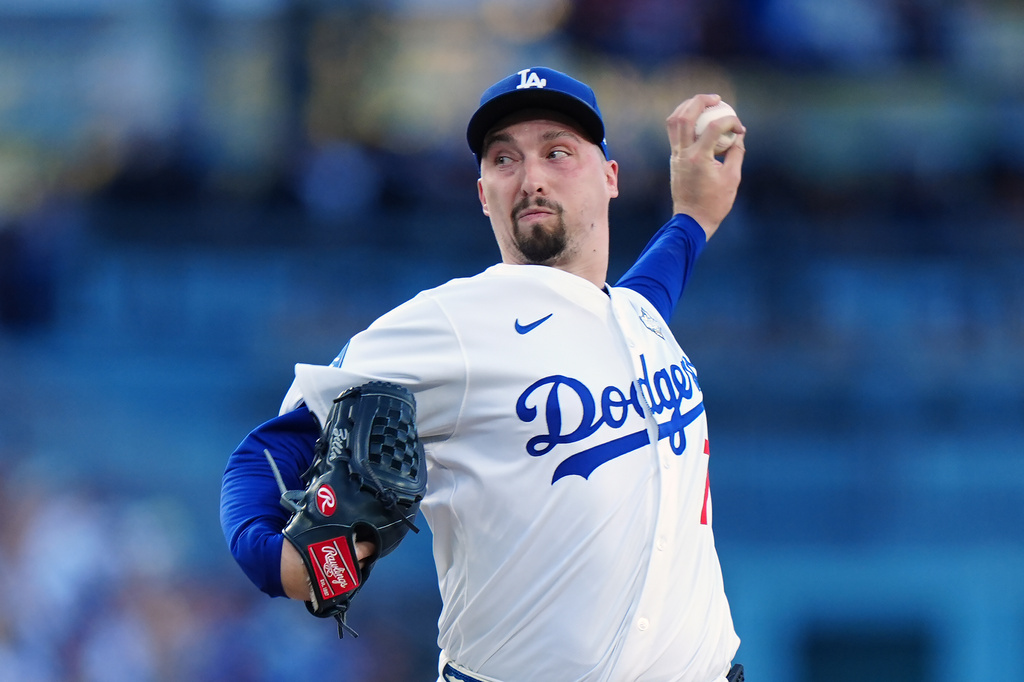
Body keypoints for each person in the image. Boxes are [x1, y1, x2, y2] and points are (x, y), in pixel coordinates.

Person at [221, 66, 747, 682]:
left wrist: (693, 219)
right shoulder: (451, 323)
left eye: (558, 152)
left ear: (609, 178)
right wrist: (272, 559)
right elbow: (266, 449)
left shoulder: (634, 318)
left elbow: (646, 293)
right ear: (482, 193)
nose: (531, 178)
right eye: (504, 159)